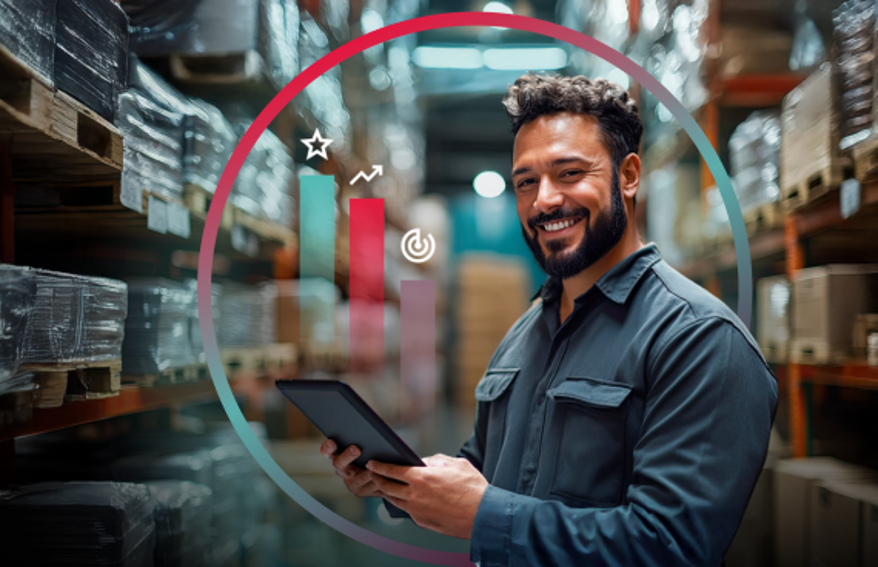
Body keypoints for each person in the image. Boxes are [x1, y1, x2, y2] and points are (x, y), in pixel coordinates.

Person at [320, 73, 778, 566]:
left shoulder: (699, 340)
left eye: (568, 173)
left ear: (628, 176)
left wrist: (484, 516)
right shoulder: (525, 333)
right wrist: (399, 481)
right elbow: (485, 471)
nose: (543, 200)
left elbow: (668, 547)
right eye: (525, 182)